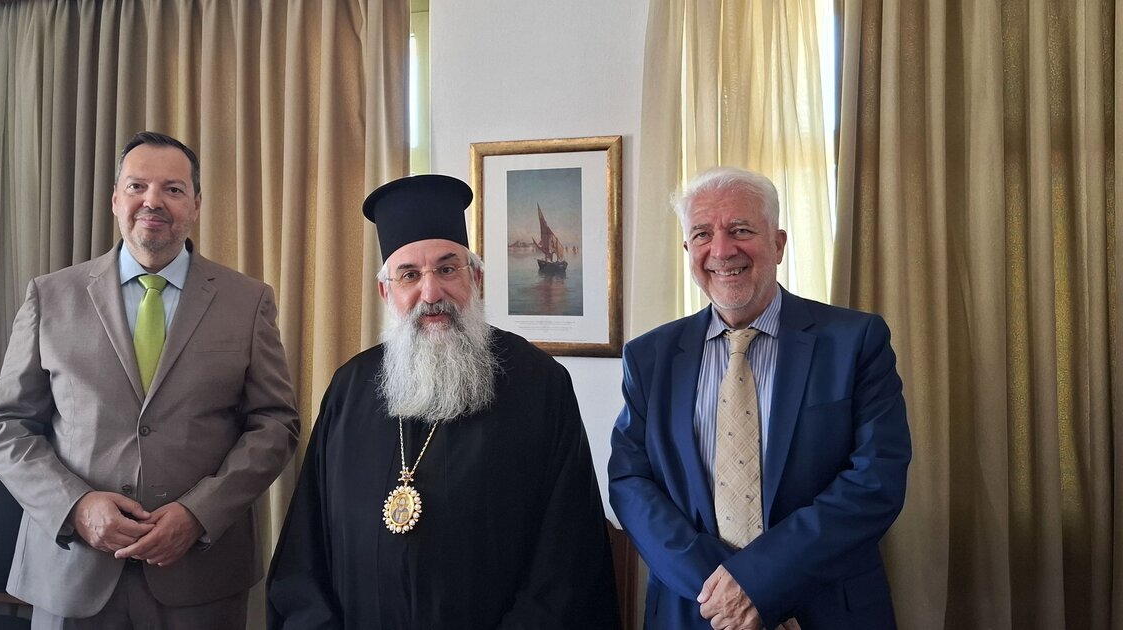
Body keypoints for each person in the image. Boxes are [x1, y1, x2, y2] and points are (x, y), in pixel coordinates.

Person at [266, 174, 620, 629]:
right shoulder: (349, 388)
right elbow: (306, 548)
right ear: (387, 291)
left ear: (476, 278)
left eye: (447, 269)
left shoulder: (540, 385)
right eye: (409, 275)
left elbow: (567, 556)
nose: (430, 293)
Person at [0, 131, 300, 629]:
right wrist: (75, 507)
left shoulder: (247, 300)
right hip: (71, 572)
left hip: (199, 575)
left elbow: (275, 424)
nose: (153, 201)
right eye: (137, 186)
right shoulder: (50, 296)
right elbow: (4, 427)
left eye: (173, 189)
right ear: (115, 199)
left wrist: (200, 513)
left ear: (196, 204)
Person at [608, 166, 911, 629]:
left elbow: (875, 480)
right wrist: (724, 592)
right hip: (693, 609)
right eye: (702, 234)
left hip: (822, 610)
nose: (721, 250)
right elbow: (631, 482)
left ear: (779, 244)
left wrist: (760, 584)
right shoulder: (649, 356)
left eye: (741, 230)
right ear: (688, 250)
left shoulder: (855, 341)